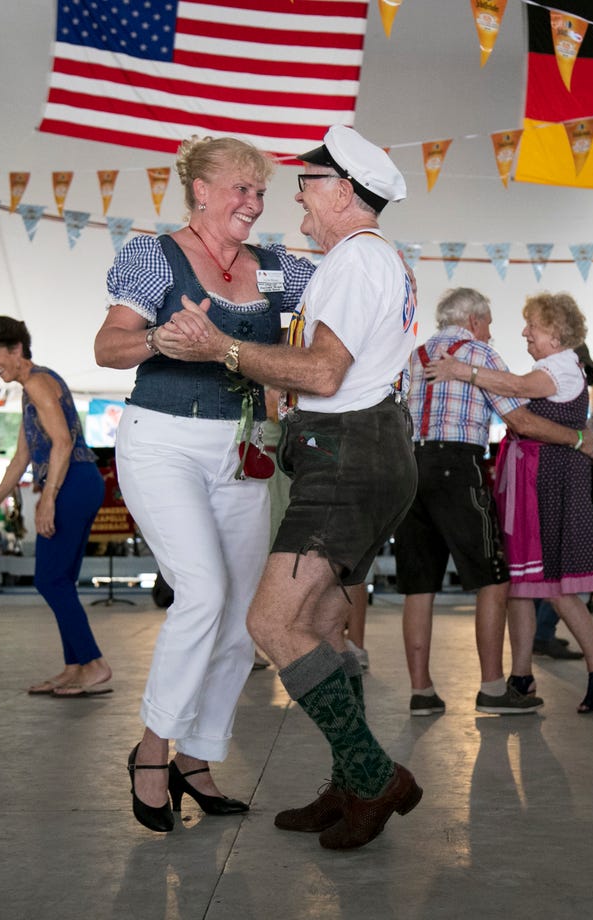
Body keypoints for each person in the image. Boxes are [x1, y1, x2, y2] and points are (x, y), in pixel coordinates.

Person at [158, 124, 420, 850]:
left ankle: (373, 775)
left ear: (341, 191)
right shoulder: (371, 260)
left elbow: (325, 373)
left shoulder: (354, 262)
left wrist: (225, 349)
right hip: (370, 451)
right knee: (325, 627)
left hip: (346, 456)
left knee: (271, 624)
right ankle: (349, 780)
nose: (296, 196)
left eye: (308, 183)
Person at [93, 134, 315, 833]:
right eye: (241, 189)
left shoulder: (276, 271)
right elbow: (106, 346)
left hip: (242, 449)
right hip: (161, 441)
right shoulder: (152, 256)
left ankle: (199, 755)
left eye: (260, 191)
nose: (253, 202)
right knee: (205, 592)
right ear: (201, 191)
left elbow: (335, 307)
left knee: (240, 615)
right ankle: (152, 748)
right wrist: (161, 339)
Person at [394, 287, 586, 717]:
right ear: (476, 320)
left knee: (419, 585)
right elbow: (519, 419)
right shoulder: (479, 353)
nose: (493, 331)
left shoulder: (415, 354)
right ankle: (493, 689)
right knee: (494, 578)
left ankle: (421, 691)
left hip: (410, 467)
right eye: (491, 323)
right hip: (456, 466)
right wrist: (576, 438)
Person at [0, 317, 108, 697]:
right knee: (60, 581)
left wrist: (47, 498)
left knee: (50, 580)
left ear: (16, 349)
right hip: (75, 482)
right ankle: (75, 666)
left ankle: (94, 664)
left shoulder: (37, 382)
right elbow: (22, 457)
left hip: (72, 482)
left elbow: (63, 443)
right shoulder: (29, 387)